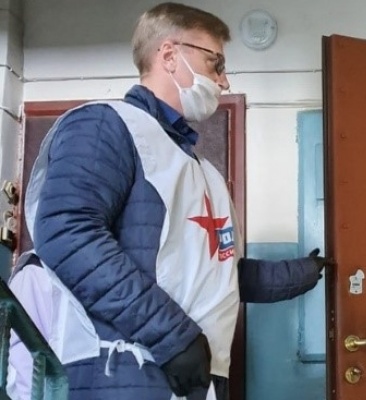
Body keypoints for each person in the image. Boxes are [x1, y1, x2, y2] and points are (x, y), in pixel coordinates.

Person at [8, 3, 331, 400]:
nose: (224, 81)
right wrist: (173, 336)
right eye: (216, 63)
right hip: (123, 372)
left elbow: (218, 274)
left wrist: (306, 272)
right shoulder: (106, 125)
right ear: (169, 55)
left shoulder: (200, 169)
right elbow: (67, 233)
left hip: (192, 374)